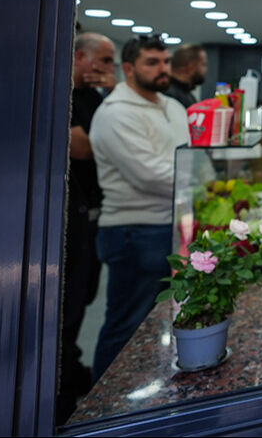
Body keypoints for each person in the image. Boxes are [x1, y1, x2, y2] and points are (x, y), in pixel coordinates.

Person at [89, 35, 190, 380]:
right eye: (152, 62)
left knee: (160, 321)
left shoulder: (172, 106)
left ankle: (146, 395)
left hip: (172, 225)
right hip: (134, 231)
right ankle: (102, 413)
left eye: (165, 61)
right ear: (128, 68)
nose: (162, 69)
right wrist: (200, 184)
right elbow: (151, 175)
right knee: (128, 326)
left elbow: (189, 159)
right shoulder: (114, 114)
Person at [57, 32, 116, 419]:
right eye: (105, 61)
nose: (108, 70)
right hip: (64, 220)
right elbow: (81, 146)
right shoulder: (62, 96)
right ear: (81, 57)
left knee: (84, 297)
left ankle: (74, 370)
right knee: (64, 305)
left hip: (93, 214)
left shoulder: (97, 100)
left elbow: (97, 141)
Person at [163, 42, 206, 108]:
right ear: (190, 67)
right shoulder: (170, 96)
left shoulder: (186, 94)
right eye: (203, 65)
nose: (205, 70)